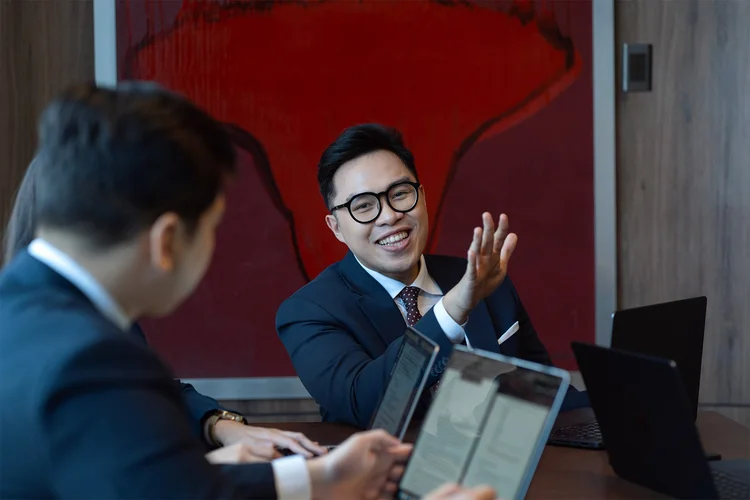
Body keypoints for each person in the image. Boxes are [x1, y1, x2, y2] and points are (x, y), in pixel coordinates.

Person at [0, 82, 423, 499]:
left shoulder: (20, 311)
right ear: (167, 240)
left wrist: (320, 478)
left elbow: (153, 485)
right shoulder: (91, 360)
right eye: (211, 228)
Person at [2, 154, 325, 461]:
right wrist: (223, 468)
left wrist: (219, 425)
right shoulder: (52, 336)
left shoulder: (92, 312)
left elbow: (147, 390)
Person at [276, 123, 589, 427]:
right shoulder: (308, 312)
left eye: (399, 194)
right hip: (392, 476)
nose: (389, 216)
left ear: (422, 197)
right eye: (364, 206)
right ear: (336, 228)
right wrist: (451, 312)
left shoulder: (483, 278)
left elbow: (547, 396)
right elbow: (363, 403)